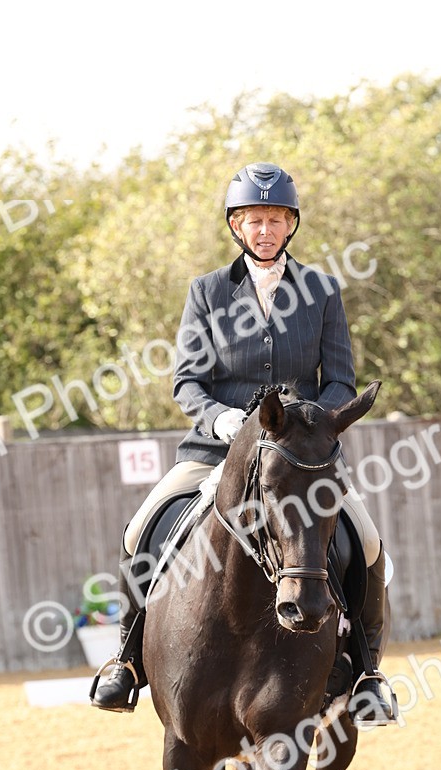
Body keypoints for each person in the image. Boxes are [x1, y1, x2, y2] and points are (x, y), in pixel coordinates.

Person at [92, 162, 395, 724]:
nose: (265, 230)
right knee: (140, 530)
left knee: (368, 541)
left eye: (276, 219)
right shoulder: (207, 292)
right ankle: (127, 659)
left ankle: (369, 671)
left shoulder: (322, 291)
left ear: (290, 225)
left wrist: (312, 418)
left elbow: (341, 380)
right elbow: (187, 381)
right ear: (237, 225)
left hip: (299, 455)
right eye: (254, 219)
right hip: (216, 452)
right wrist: (222, 420)